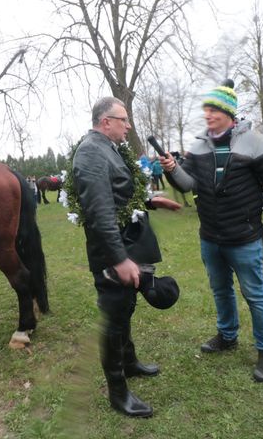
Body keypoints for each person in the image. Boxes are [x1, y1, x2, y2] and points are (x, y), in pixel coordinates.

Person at [159, 80, 263, 383]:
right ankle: (227, 336)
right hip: (210, 237)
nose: (208, 115)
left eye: (213, 110)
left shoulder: (255, 141)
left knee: (255, 294)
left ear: (229, 113)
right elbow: (188, 184)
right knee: (220, 290)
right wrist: (171, 169)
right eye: (205, 109)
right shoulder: (199, 145)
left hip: (244, 237)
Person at [72, 96, 180, 418]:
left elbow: (119, 195)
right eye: (124, 119)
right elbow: (100, 212)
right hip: (110, 254)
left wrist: (150, 201)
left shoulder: (108, 149)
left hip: (125, 244)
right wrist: (119, 260)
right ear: (106, 122)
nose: (128, 125)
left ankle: (129, 363)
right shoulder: (91, 152)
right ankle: (118, 393)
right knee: (113, 320)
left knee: (125, 309)